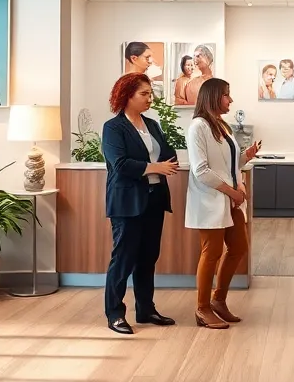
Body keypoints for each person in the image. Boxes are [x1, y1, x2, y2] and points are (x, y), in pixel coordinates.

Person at [101, 73, 180, 334]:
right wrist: (153, 167)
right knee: (123, 259)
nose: (150, 98)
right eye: (144, 94)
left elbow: (169, 153)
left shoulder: (152, 124)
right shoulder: (113, 128)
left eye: (150, 93)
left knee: (148, 258)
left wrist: (162, 164)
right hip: (127, 202)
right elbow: (120, 164)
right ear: (127, 95)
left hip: (155, 199)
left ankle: (145, 309)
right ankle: (115, 313)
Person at [186, 77, 261, 329]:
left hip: (229, 199)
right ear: (213, 97)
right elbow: (201, 170)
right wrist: (231, 191)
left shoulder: (222, 126)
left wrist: (244, 157)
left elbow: (229, 165)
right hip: (212, 199)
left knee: (239, 248)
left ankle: (218, 301)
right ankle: (202, 308)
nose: (231, 100)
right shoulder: (198, 126)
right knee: (212, 253)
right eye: (227, 95)